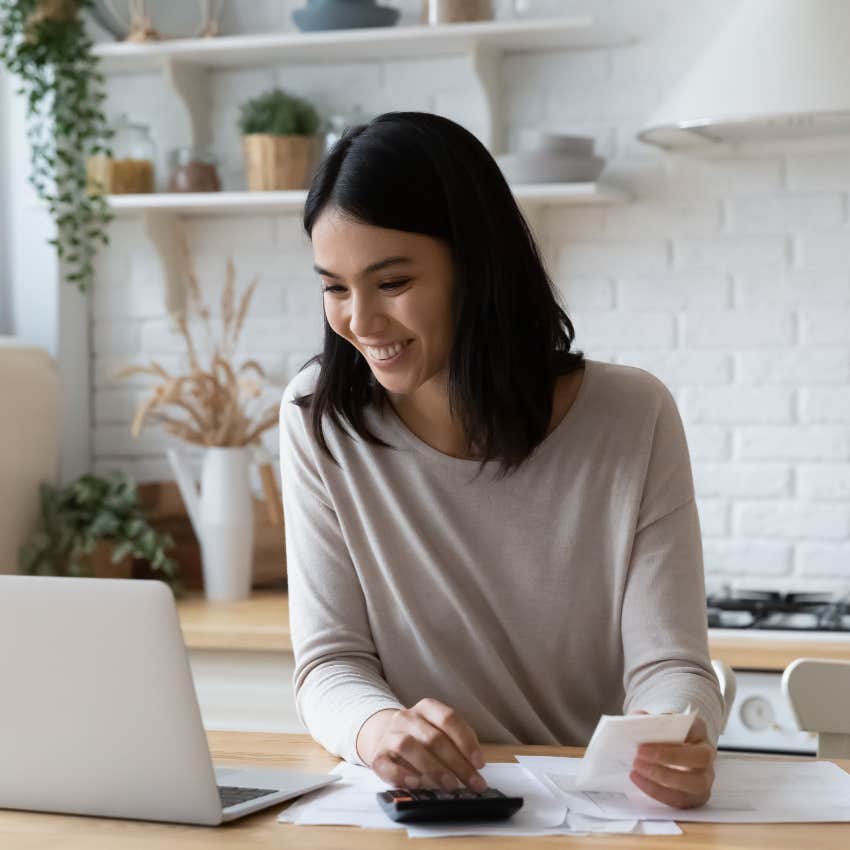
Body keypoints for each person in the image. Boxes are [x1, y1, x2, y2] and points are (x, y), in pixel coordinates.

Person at [278, 111, 722, 809]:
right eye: (335, 287)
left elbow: (671, 665)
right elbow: (330, 663)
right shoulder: (319, 418)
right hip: (413, 815)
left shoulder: (633, 417)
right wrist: (377, 729)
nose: (359, 321)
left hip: (593, 814)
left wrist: (676, 731)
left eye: (391, 282)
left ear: (476, 268)